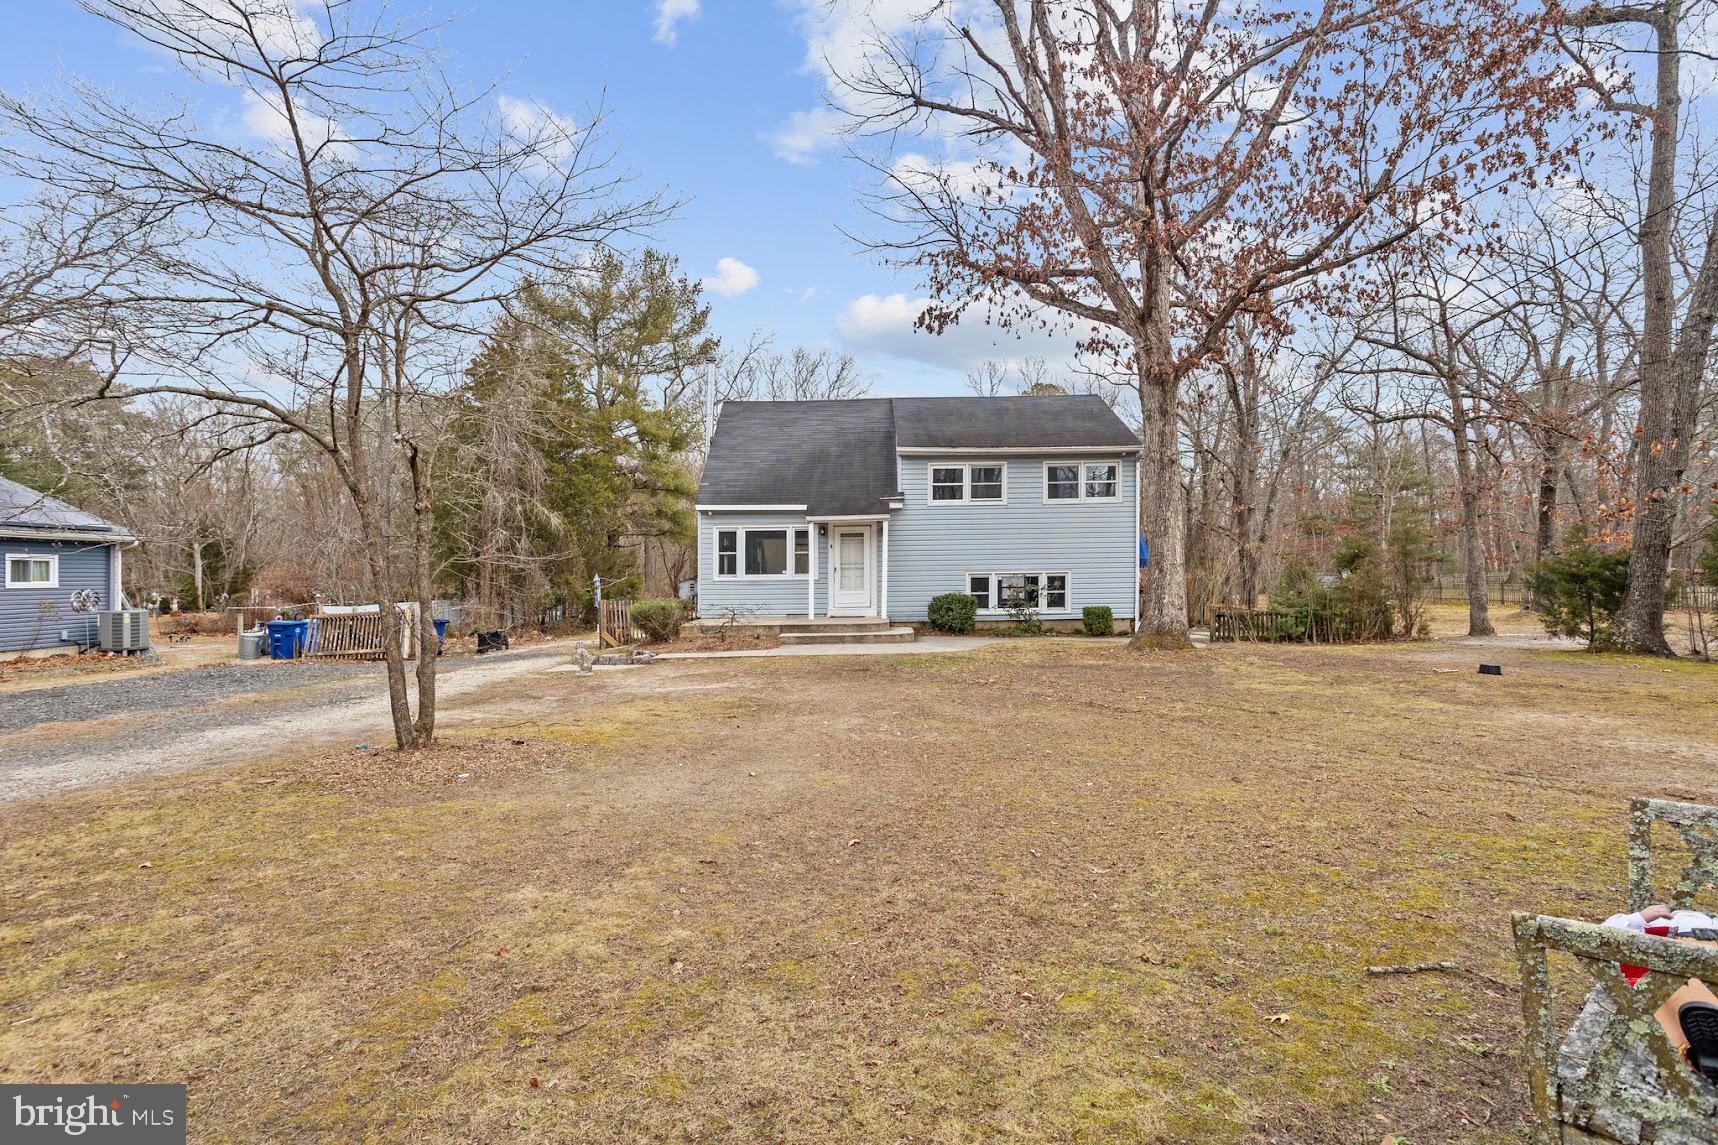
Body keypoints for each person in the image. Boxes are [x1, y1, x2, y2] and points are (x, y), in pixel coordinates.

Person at [1603, 903, 1718, 1082]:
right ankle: (1704, 1053)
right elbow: (1603, 936)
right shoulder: (1654, 923)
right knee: (1686, 994)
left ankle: (1705, 1052)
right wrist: (1639, 918)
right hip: (1675, 963)